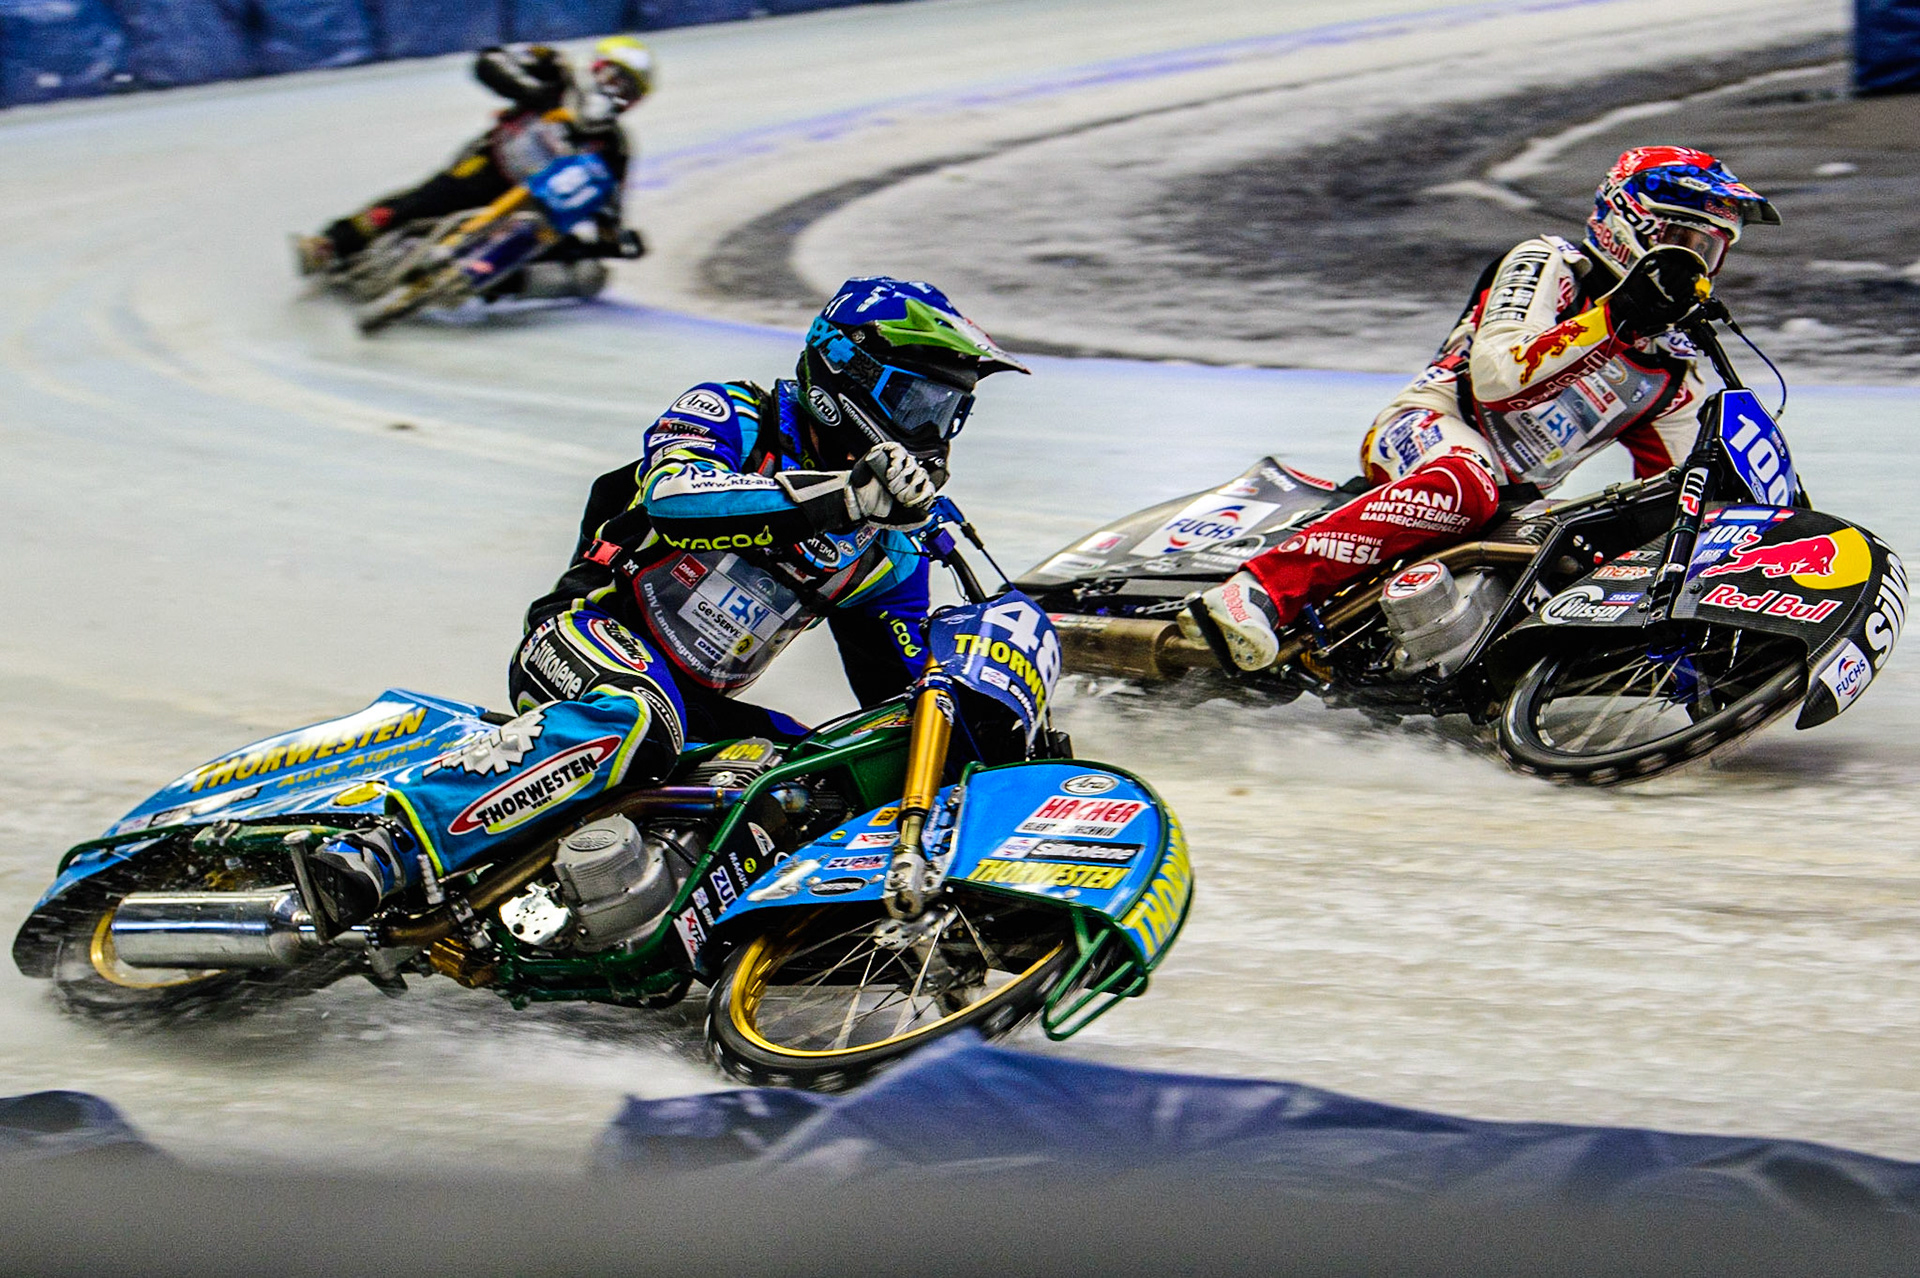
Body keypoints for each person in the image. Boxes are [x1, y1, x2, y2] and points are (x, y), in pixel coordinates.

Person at [311, 278, 1028, 919]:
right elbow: (675, 500)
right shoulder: (734, 413)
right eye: (917, 400)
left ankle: (755, 942)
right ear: (843, 371)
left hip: (699, 701)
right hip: (588, 633)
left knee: (820, 780)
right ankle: (390, 845)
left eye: (949, 410)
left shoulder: (891, 544)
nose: (932, 431)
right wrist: (841, 498)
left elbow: (896, 690)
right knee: (635, 715)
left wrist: (977, 723)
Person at [1191, 146, 1780, 671]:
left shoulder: (1673, 365)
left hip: (1517, 491)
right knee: (1468, 485)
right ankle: (1261, 589)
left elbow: (1674, 483)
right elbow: (1498, 376)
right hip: (1433, 423)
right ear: (1629, 222)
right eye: (1682, 240)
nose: (1694, 262)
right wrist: (1615, 318)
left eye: (1708, 248)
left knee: (1583, 545)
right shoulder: (1550, 263)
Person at [293, 37, 654, 299]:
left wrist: (617, 239)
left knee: (572, 256)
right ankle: (332, 244)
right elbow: (490, 60)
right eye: (613, 79)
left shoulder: (614, 146)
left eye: (627, 92)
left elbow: (610, 202)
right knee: (423, 200)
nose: (615, 93)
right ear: (596, 66)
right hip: (492, 165)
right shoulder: (557, 70)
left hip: (537, 206)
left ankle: (487, 283)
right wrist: (529, 91)